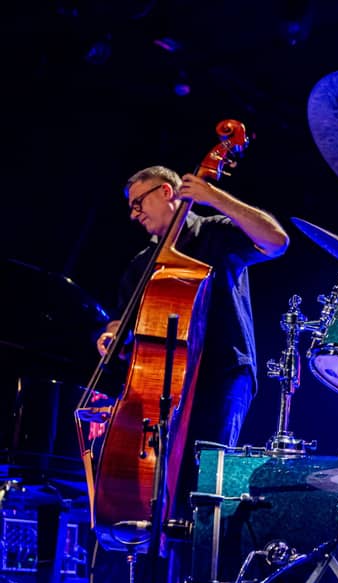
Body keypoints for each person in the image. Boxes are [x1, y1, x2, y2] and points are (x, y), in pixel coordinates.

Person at [96, 166, 289, 519]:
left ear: (166, 191)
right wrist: (111, 337)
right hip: (165, 386)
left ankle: (200, 551)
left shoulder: (215, 232)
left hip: (222, 374)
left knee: (205, 480)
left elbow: (276, 241)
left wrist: (214, 196)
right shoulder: (141, 265)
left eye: (139, 203)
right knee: (159, 491)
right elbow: (122, 322)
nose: (134, 214)